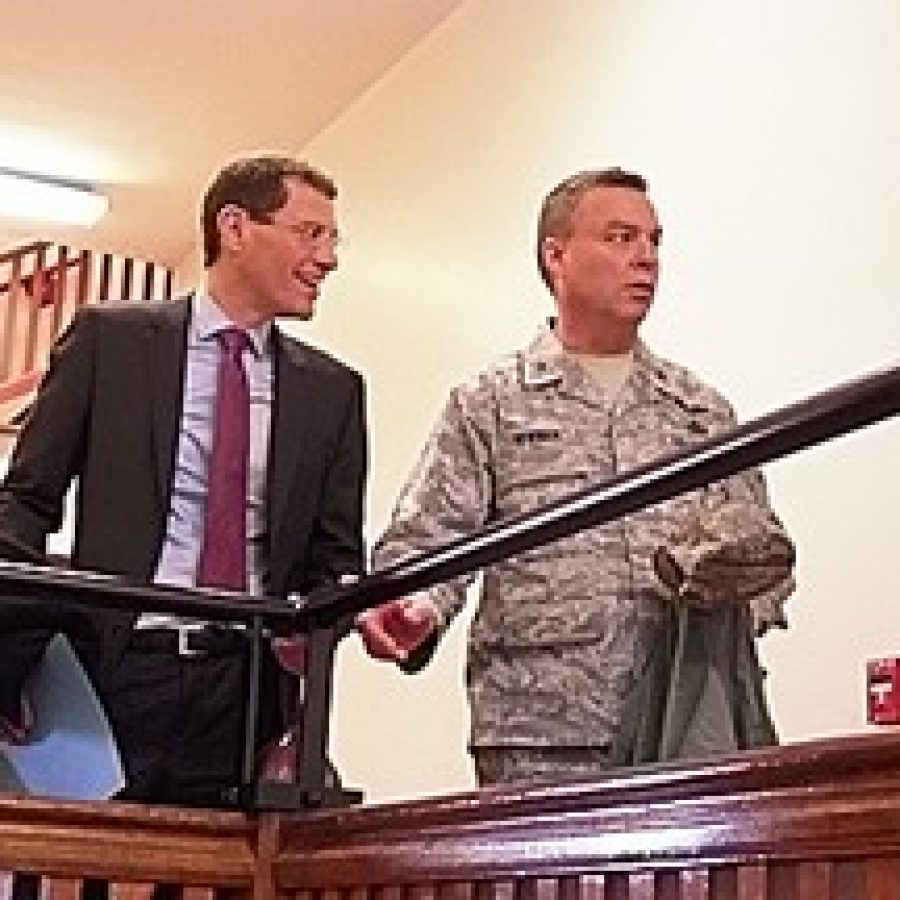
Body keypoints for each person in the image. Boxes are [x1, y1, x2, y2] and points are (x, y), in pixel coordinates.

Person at [358, 167, 794, 786]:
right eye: (620, 238)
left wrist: (727, 593)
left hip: (684, 728)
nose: (645, 258)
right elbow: (426, 545)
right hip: (539, 737)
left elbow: (767, 559)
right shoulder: (490, 402)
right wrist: (412, 609)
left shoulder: (700, 408)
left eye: (654, 241)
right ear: (555, 255)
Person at [0, 155, 367, 805]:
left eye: (333, 238)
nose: (330, 258)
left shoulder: (333, 392)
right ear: (236, 226)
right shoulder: (109, 344)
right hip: (111, 675)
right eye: (311, 233)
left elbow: (333, 558)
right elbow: (25, 504)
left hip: (247, 695)